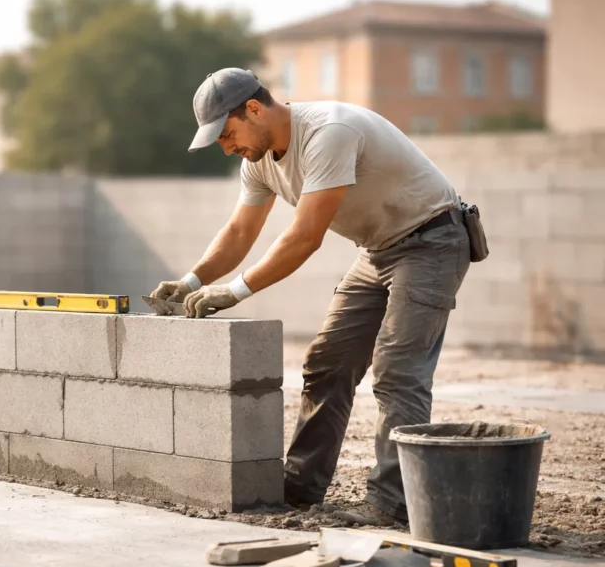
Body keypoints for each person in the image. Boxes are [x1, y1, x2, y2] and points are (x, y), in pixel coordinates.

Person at [151, 67, 479, 526]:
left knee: (397, 371)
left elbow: (305, 236)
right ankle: (301, 489)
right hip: (379, 249)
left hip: (433, 241)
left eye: (227, 135)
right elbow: (240, 232)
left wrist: (235, 291)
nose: (228, 148)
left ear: (253, 108)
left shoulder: (328, 132)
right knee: (328, 363)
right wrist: (190, 281)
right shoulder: (257, 161)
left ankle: (392, 504)